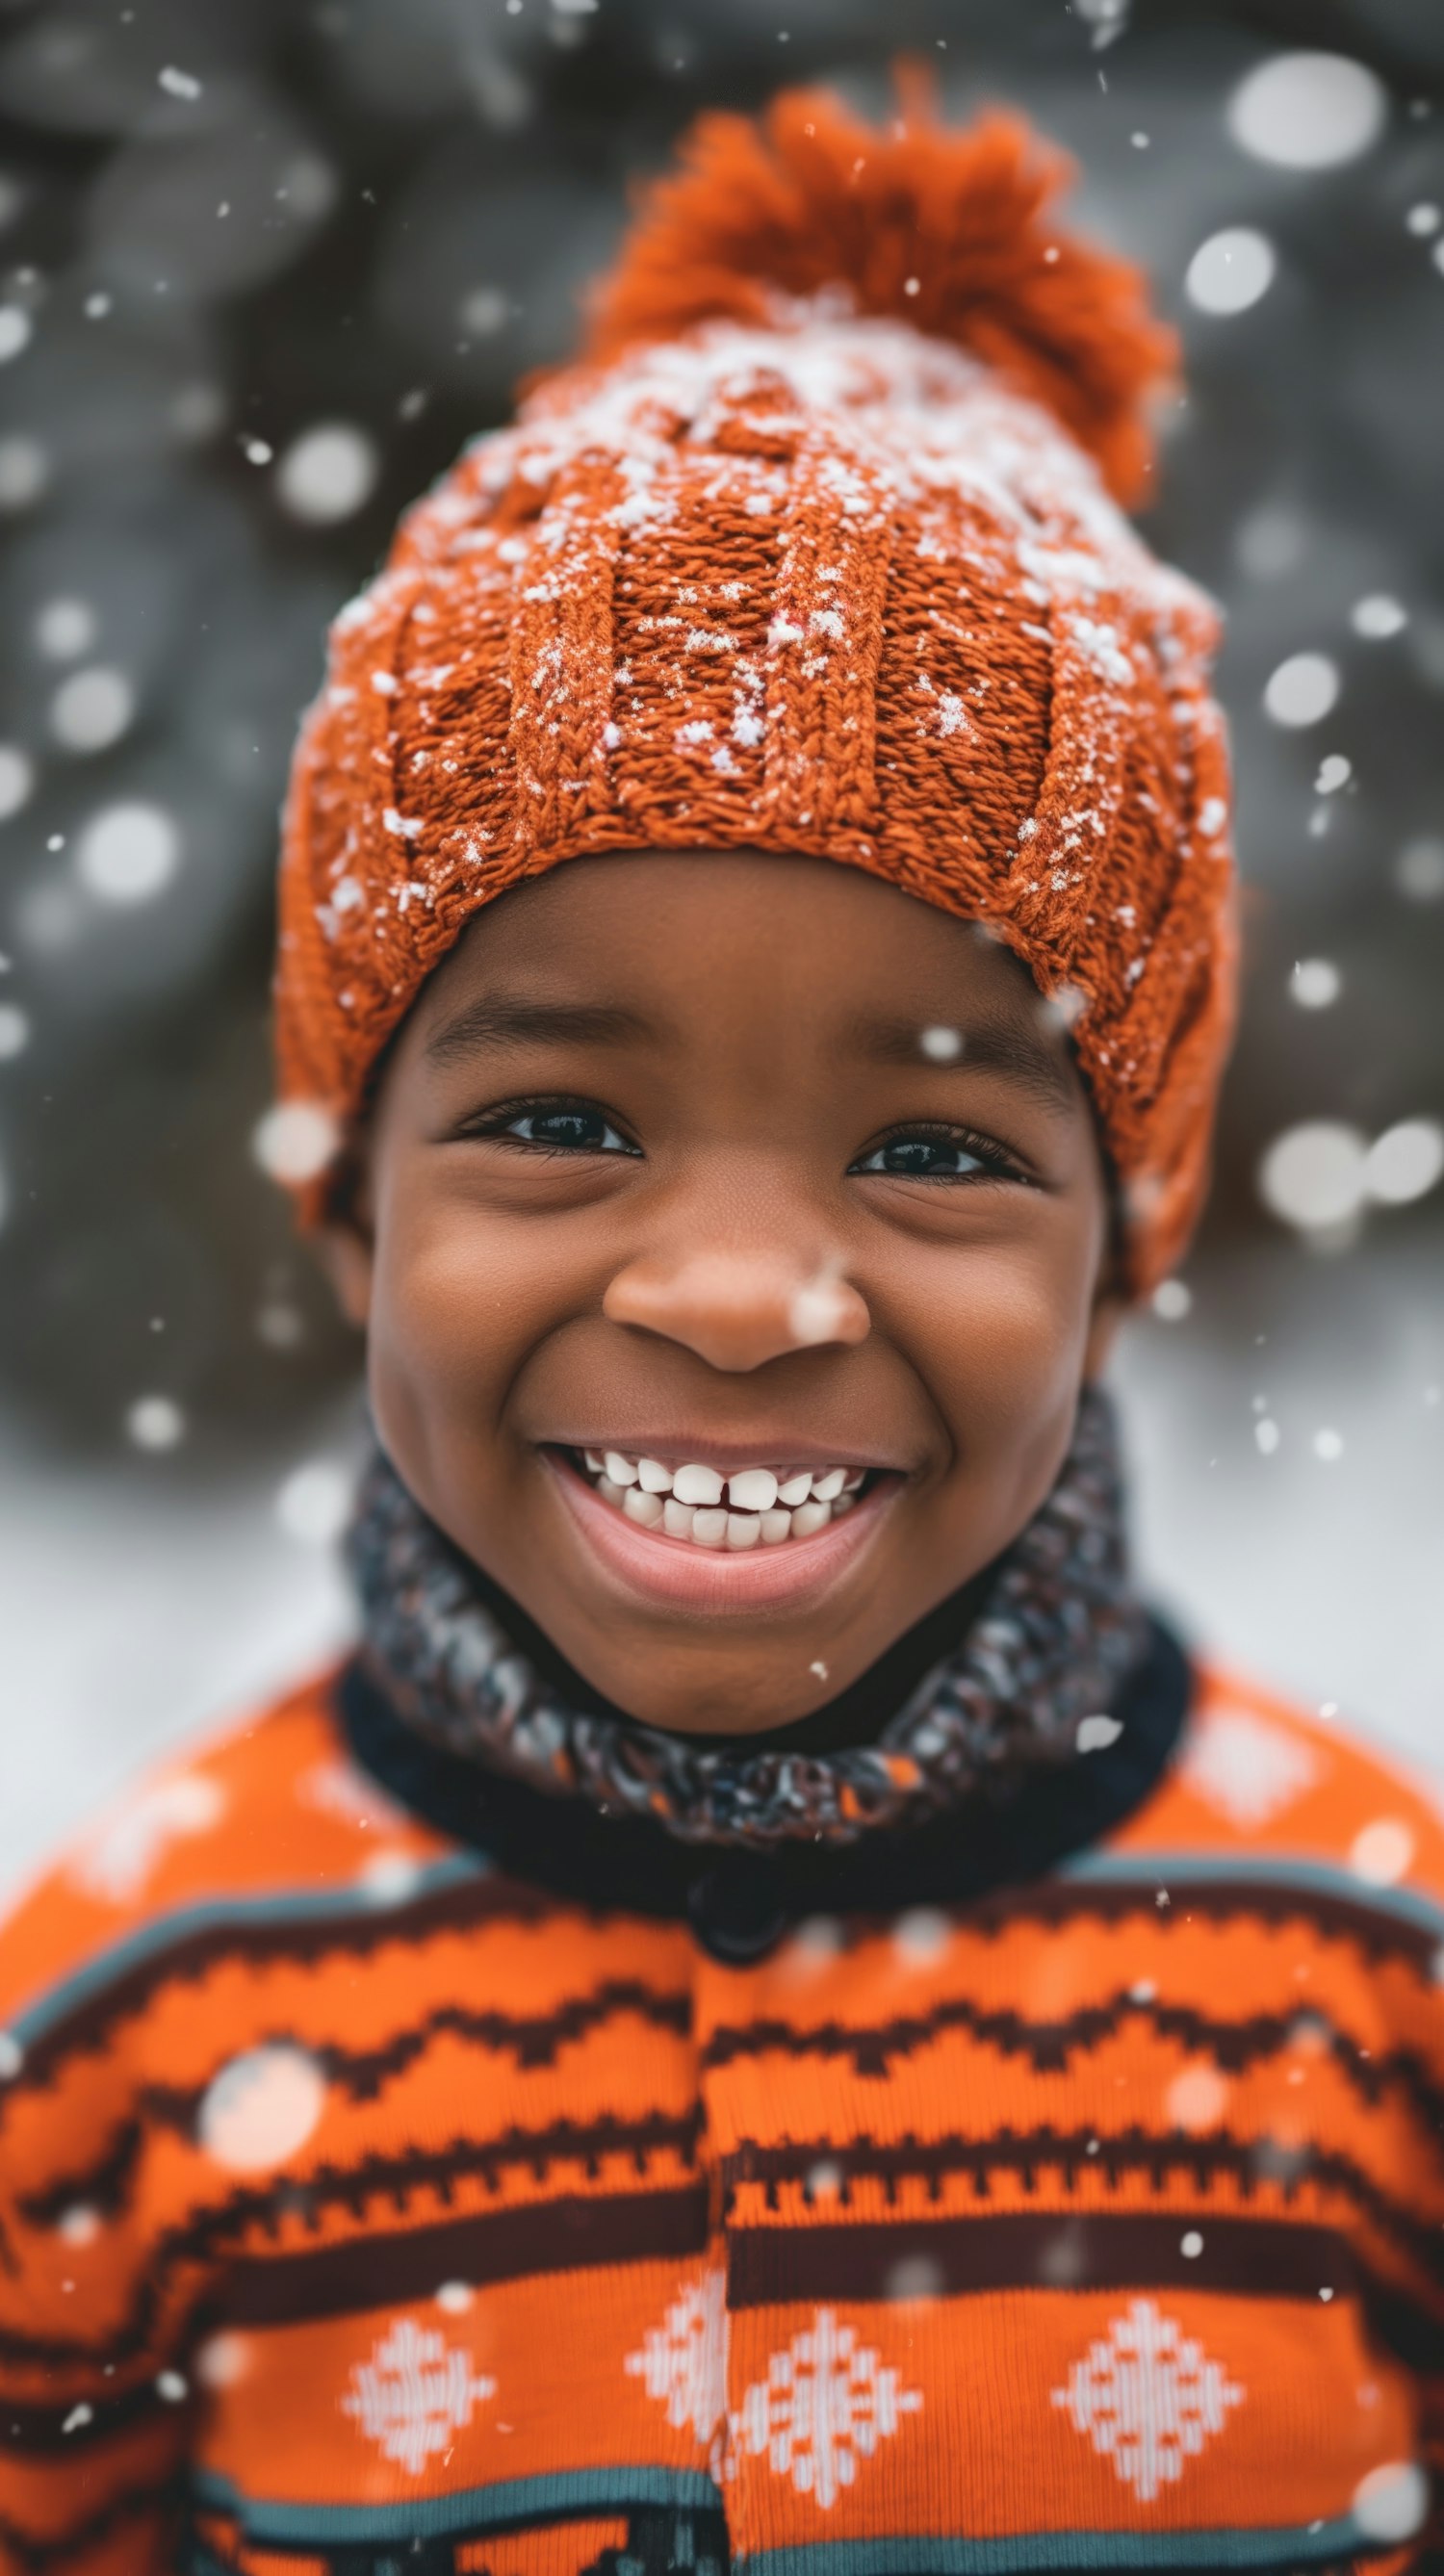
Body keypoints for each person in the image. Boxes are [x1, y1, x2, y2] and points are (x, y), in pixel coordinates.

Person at [1, 77, 1440, 2576]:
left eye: (937, 1149)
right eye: (561, 1122)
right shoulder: (113, 2029)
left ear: (1128, 1252)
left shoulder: (1367, 1988)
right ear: (345, 1206)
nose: (741, 1294)